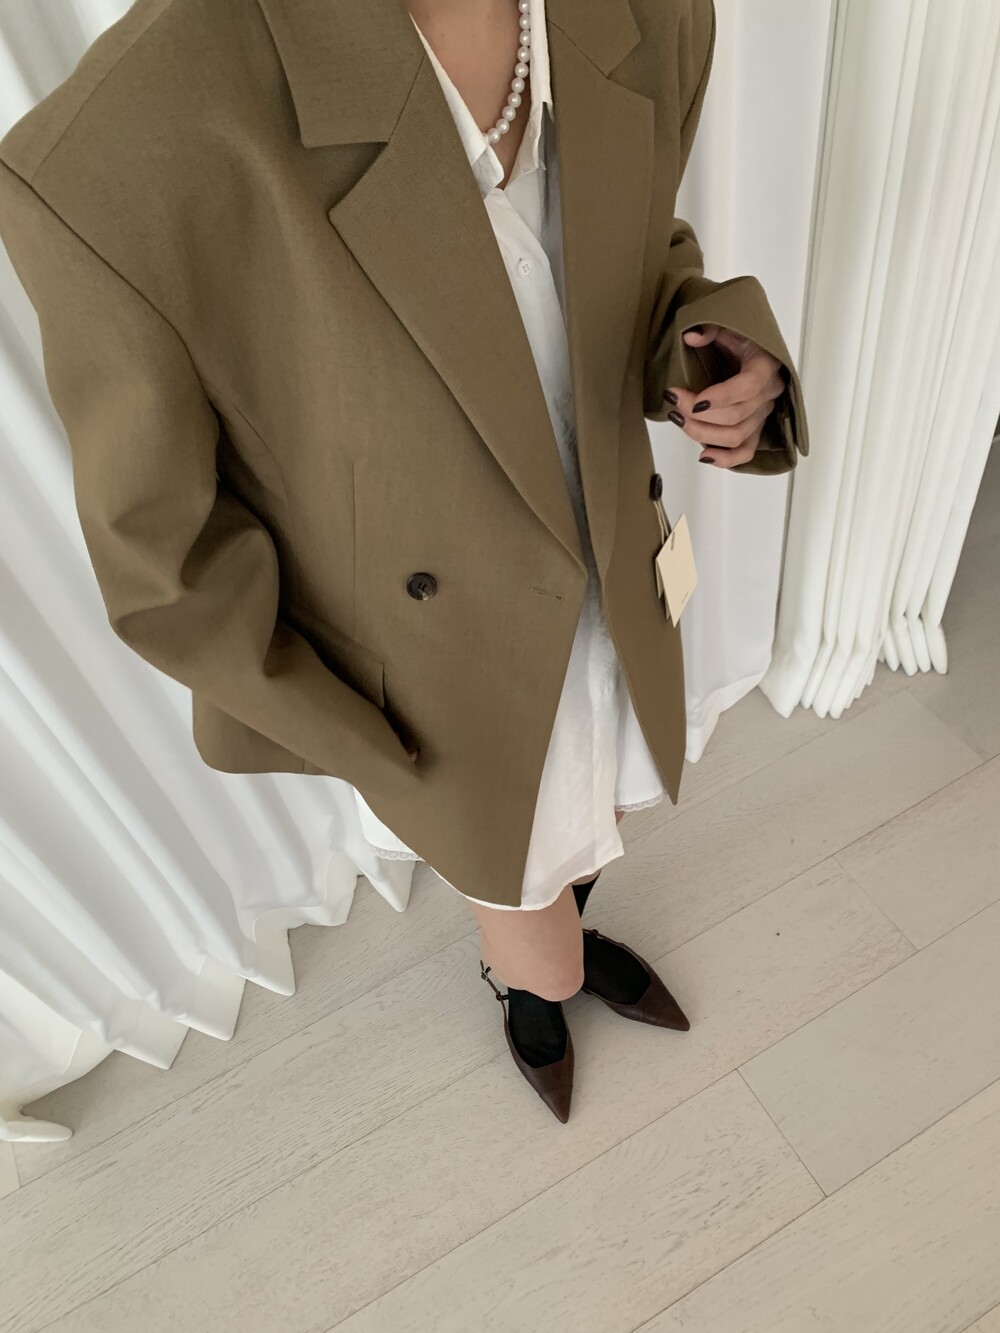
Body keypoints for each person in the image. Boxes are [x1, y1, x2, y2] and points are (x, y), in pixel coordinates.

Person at [0, 0, 808, 1124]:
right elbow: (165, 559)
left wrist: (711, 347)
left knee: (594, 815)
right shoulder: (125, 145)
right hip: (439, 678)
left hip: (615, 589)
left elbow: (634, 254)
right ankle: (529, 987)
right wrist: (364, 737)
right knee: (525, 893)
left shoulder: (650, 12)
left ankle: (558, 941)